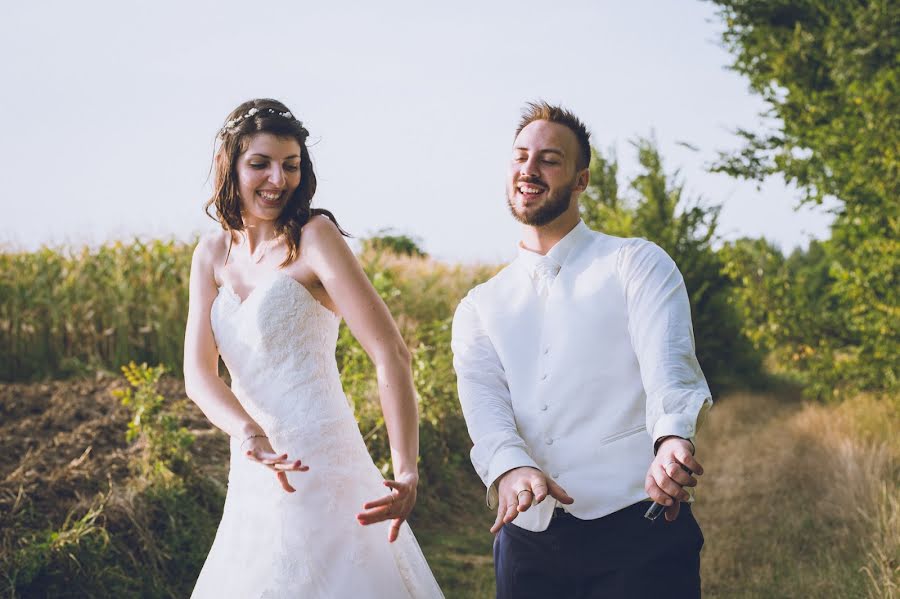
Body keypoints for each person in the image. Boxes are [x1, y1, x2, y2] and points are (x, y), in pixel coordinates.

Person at [451, 101, 712, 598]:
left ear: (581, 179)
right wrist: (509, 465)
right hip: (528, 541)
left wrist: (672, 439)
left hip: (640, 525)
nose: (529, 169)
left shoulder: (636, 263)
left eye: (549, 159)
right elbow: (485, 408)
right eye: (520, 156)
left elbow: (669, 365)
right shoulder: (479, 306)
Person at [184, 98, 443, 598]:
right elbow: (199, 373)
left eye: (291, 165)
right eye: (260, 164)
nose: (278, 180)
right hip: (256, 468)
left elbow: (391, 353)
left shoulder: (315, 237)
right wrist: (248, 431)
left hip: (327, 465)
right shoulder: (211, 254)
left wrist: (406, 469)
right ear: (230, 165)